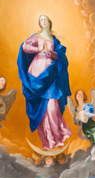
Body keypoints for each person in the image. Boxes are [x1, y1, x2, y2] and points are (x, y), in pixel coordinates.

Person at [18, 14, 72, 150]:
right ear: (39, 23)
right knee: (41, 109)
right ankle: (47, 142)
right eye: (41, 20)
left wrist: (53, 54)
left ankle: (57, 137)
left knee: (52, 107)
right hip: (37, 74)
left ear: (49, 22)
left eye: (45, 20)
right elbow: (24, 47)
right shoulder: (36, 37)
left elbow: (61, 56)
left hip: (51, 75)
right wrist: (39, 49)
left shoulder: (55, 40)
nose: (43, 22)